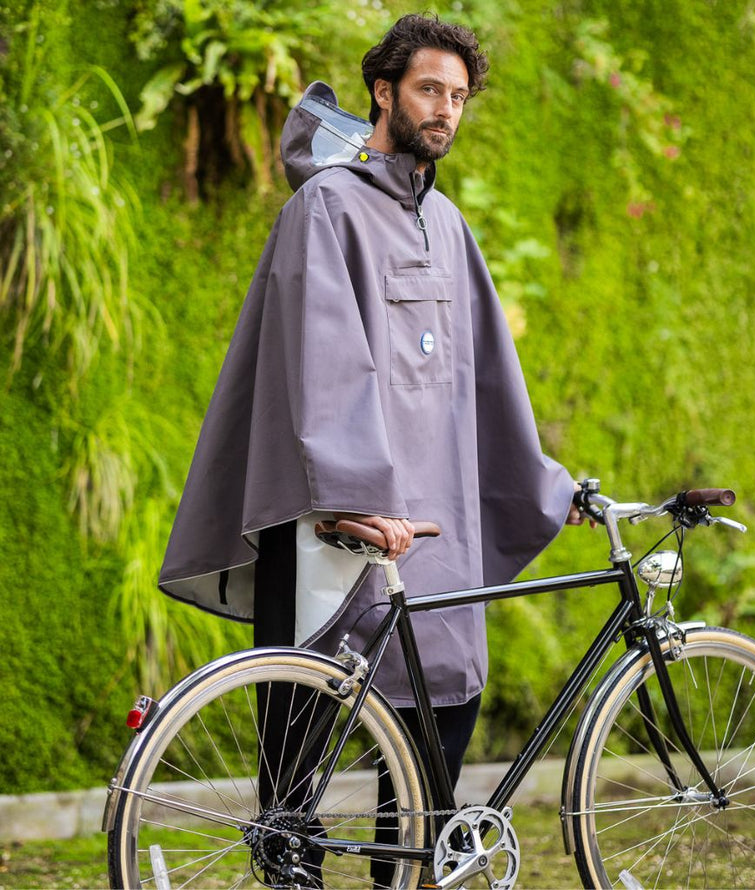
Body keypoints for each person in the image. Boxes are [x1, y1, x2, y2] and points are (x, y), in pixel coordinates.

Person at [159, 11, 587, 882]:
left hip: (438, 530)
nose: (445, 110)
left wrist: (551, 487)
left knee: (440, 724)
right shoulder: (324, 208)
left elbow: (489, 383)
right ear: (384, 92)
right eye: (430, 89)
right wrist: (355, 497)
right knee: (301, 748)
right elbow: (318, 362)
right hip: (337, 524)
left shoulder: (449, 225)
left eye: (458, 96)